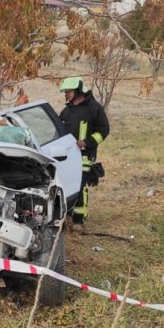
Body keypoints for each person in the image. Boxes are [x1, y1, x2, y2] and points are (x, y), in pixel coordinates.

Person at [59, 77, 109, 224]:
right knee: (65, 187)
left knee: (79, 187)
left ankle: (78, 221)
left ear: (78, 90)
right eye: (65, 92)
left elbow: (104, 130)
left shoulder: (94, 108)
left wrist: (87, 142)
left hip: (85, 157)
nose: (65, 94)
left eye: (68, 91)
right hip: (66, 157)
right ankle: (66, 216)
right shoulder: (66, 111)